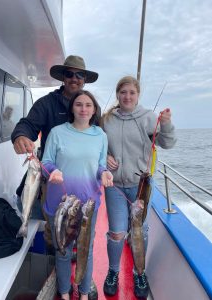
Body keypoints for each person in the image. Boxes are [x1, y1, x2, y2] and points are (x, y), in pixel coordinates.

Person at [11, 55, 100, 298]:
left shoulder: (92, 108)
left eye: (79, 75)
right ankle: (59, 277)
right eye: (69, 74)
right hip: (53, 181)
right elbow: (28, 124)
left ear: (85, 80)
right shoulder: (47, 104)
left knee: (83, 240)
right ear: (63, 77)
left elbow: (98, 139)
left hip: (82, 185)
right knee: (55, 232)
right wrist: (21, 135)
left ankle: (81, 280)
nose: (74, 79)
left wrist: (108, 161)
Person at [101, 76, 177, 298]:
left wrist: (166, 123)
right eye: (123, 92)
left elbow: (167, 143)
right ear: (117, 94)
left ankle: (139, 272)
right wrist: (104, 157)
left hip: (140, 185)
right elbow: (97, 145)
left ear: (138, 95)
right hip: (114, 185)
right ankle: (113, 271)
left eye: (131, 92)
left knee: (139, 231)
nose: (127, 96)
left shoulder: (147, 118)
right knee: (116, 233)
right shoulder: (106, 120)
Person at [41, 90, 113, 300]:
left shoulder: (100, 135)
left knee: (85, 251)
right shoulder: (57, 132)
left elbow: (100, 166)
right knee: (62, 251)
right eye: (79, 104)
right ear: (72, 107)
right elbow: (46, 162)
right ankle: (64, 293)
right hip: (59, 204)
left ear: (94, 110)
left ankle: (83, 294)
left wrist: (106, 173)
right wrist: (52, 171)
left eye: (88, 105)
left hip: (88, 205)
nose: (83, 109)